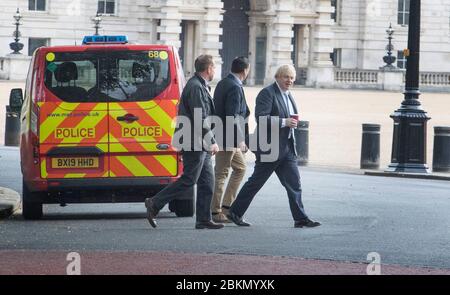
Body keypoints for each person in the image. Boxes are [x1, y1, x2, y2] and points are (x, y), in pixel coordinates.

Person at [227, 64, 321, 228]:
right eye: (286, 77)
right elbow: (261, 119)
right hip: (270, 148)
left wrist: (290, 125)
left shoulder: (289, 95)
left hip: (287, 149)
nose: (289, 80)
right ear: (277, 77)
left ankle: (300, 218)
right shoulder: (267, 93)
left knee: (295, 184)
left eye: (292, 78)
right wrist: (284, 122)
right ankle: (234, 212)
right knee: (255, 183)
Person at [145, 54, 223, 230]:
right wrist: (211, 141)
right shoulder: (195, 87)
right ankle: (154, 203)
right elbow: (199, 116)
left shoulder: (199, 85)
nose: (214, 71)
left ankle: (203, 219)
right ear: (208, 69)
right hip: (193, 141)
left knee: (207, 181)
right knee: (189, 180)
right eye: (214, 68)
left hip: (198, 142)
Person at [211, 57, 251, 223]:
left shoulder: (223, 83)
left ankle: (227, 207)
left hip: (224, 135)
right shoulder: (234, 87)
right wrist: (240, 139)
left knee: (240, 169)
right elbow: (232, 116)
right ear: (245, 71)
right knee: (221, 174)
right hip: (228, 138)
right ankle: (215, 212)